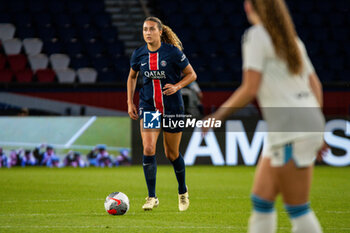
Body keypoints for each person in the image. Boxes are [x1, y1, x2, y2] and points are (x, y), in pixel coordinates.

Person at [202, 0, 328, 232]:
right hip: (300, 123)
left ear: (250, 7)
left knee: (298, 210)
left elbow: (250, 88)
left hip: (289, 128)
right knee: (262, 200)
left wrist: (217, 116)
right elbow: (315, 85)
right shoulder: (292, 40)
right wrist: (316, 129)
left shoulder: (256, 36)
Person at [127, 16, 197, 211]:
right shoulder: (139, 54)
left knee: (171, 153)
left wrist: (177, 86)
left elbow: (192, 74)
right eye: (144, 29)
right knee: (148, 148)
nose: (147, 33)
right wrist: (129, 101)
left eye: (151, 29)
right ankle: (151, 197)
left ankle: (182, 191)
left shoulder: (172, 53)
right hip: (149, 107)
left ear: (159, 31)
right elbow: (132, 77)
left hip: (173, 108)